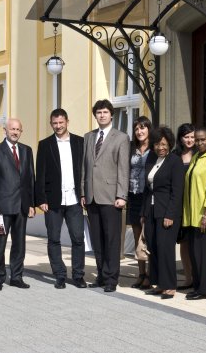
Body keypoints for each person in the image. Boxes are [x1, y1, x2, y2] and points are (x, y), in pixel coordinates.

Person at [81, 99, 130, 292]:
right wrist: (83, 192)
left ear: (111, 115)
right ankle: (101, 274)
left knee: (111, 239)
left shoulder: (121, 138)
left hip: (111, 197)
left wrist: (122, 195)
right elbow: (85, 166)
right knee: (97, 239)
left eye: (105, 112)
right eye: (98, 112)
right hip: (92, 196)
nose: (102, 115)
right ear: (95, 115)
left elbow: (123, 169)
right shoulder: (88, 137)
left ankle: (111, 279)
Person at [35, 109, 87, 289]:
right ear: (51, 124)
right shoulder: (45, 144)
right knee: (53, 239)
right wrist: (41, 199)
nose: (58, 126)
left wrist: (84, 194)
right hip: (52, 201)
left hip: (74, 200)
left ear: (67, 122)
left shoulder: (80, 142)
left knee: (78, 238)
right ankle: (59, 275)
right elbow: (40, 173)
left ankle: (78, 275)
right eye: (55, 123)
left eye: (61, 123)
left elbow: (85, 170)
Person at [0, 118, 35, 290]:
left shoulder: (27, 150)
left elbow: (31, 178)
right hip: (1, 208)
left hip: (22, 207)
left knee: (19, 244)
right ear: (5, 131)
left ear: (21, 131)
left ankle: (16, 276)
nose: (15, 132)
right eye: (12, 129)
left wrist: (31, 203)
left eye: (18, 129)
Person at [141, 126, 185, 299]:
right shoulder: (151, 158)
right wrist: (144, 213)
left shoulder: (175, 161)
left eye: (164, 144)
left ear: (170, 144)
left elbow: (177, 191)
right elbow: (147, 188)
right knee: (153, 246)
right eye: (158, 144)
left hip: (167, 211)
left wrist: (170, 215)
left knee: (165, 248)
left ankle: (170, 285)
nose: (161, 147)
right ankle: (159, 283)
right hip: (151, 210)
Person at [183, 127, 206, 301]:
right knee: (195, 253)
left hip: (205, 217)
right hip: (192, 215)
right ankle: (198, 287)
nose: (199, 143)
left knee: (204, 255)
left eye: (202, 139)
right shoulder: (196, 157)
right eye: (197, 140)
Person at [127, 116, 152, 290]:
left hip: (149, 196)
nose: (139, 131)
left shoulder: (155, 148)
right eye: (136, 129)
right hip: (134, 195)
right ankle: (141, 274)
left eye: (142, 128)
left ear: (149, 129)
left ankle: (151, 274)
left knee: (148, 236)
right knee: (137, 238)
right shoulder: (131, 148)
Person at [172, 123, 196, 290]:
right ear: (180, 138)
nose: (190, 140)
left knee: (197, 244)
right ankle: (188, 278)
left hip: (196, 204)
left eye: (192, 137)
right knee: (184, 243)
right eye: (186, 137)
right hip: (180, 204)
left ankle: (198, 277)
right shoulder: (174, 156)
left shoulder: (200, 154)